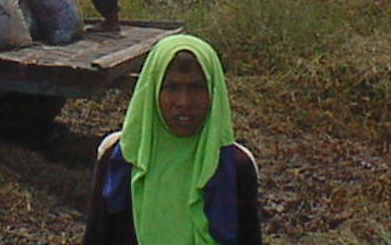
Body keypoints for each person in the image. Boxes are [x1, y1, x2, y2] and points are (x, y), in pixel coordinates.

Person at [83, 34, 262, 244]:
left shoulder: (232, 166)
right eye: (172, 88)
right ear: (153, 90)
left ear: (214, 93)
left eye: (196, 88)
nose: (184, 102)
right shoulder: (123, 158)